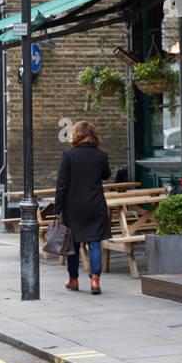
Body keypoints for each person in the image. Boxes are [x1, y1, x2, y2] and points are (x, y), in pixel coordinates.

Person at [53, 120, 112, 295]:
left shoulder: (68, 156)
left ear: (76, 135)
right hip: (95, 204)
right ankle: (95, 279)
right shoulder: (101, 156)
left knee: (73, 244)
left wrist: (57, 207)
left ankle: (73, 279)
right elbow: (106, 175)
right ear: (93, 135)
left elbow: (62, 184)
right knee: (94, 242)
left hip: (73, 206)